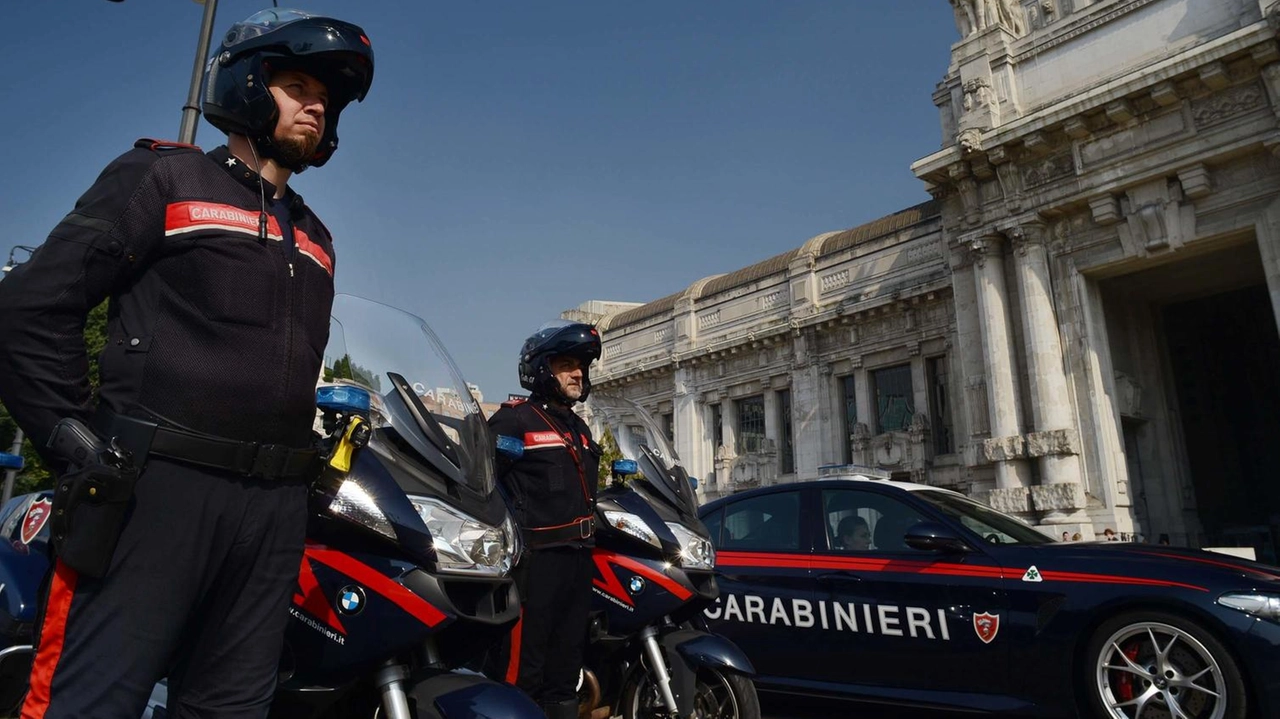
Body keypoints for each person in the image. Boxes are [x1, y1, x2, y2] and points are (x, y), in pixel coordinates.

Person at [0, 10, 373, 718]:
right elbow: (28, 308)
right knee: (91, 702)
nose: (317, 107)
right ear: (246, 85)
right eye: (299, 85)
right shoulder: (163, 178)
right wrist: (75, 438)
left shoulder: (317, 236)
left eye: (328, 100)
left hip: (269, 518)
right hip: (151, 494)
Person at [488, 321, 603, 719]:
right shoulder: (514, 420)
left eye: (582, 366)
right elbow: (483, 484)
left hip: (579, 560)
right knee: (525, 671)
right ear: (540, 369)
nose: (578, 373)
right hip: (536, 566)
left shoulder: (581, 430)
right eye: (567, 364)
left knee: (565, 673)